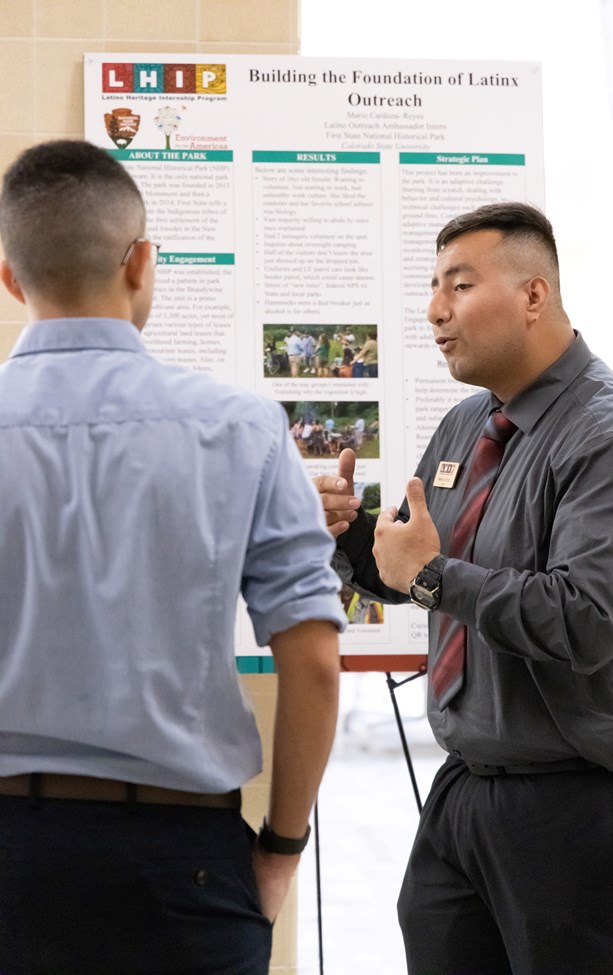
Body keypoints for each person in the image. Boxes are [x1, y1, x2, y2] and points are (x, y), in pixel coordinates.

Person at [0, 139, 346, 975]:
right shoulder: (241, 427)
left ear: (10, 278)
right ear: (140, 262)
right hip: (182, 859)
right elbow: (313, 662)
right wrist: (281, 849)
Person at [315, 201, 613, 975]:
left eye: (459, 286)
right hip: (464, 794)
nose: (435, 311)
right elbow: (417, 562)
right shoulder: (467, 425)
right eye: (434, 287)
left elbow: (589, 619)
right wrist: (351, 535)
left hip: (578, 808)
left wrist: (433, 576)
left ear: (534, 295)